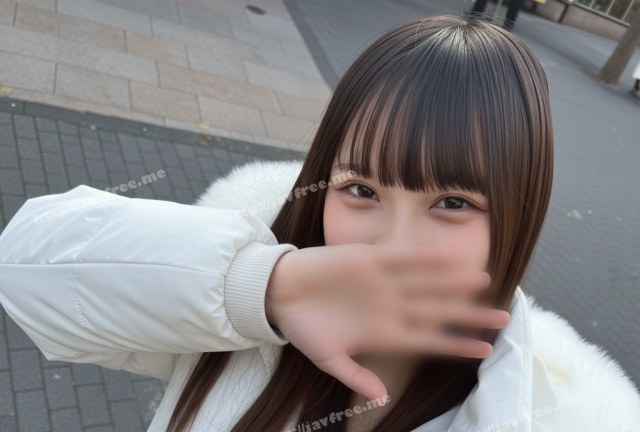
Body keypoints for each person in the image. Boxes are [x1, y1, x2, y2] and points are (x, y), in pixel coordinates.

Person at [0, 14, 639, 432]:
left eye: (452, 203)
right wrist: (259, 291)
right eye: (361, 189)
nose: (393, 246)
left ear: (518, 215)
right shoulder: (248, 267)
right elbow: (25, 271)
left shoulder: (563, 409)